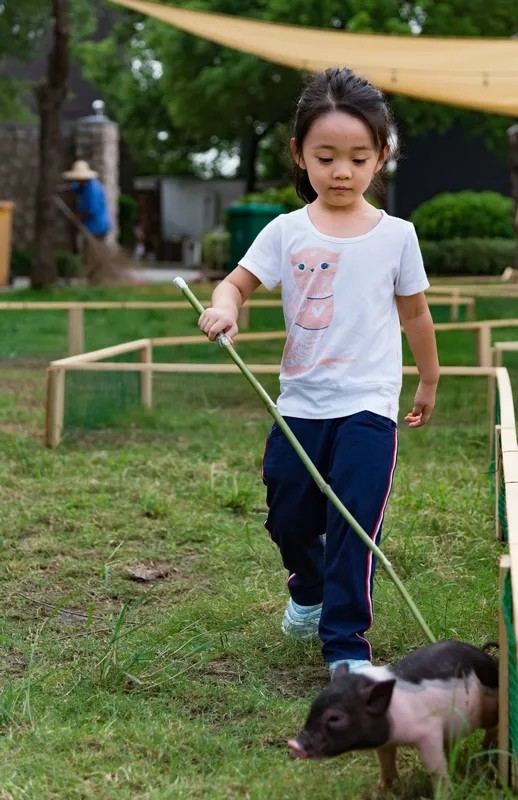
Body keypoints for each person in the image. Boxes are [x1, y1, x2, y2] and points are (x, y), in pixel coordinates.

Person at [199, 67, 439, 677]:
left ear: (381, 157)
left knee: (354, 522)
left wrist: (429, 379)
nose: (341, 171)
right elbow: (237, 283)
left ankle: (346, 648)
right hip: (301, 404)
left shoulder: (397, 236)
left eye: (358, 158)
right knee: (289, 514)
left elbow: (415, 314)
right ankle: (307, 586)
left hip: (368, 405)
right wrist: (224, 307)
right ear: (299, 155)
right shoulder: (286, 231)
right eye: (326, 156)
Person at [62, 160, 112, 240]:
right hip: (90, 226)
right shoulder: (83, 185)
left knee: (92, 250)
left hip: (97, 227)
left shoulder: (93, 189)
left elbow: (91, 210)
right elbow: (75, 186)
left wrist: (77, 219)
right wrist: (64, 188)